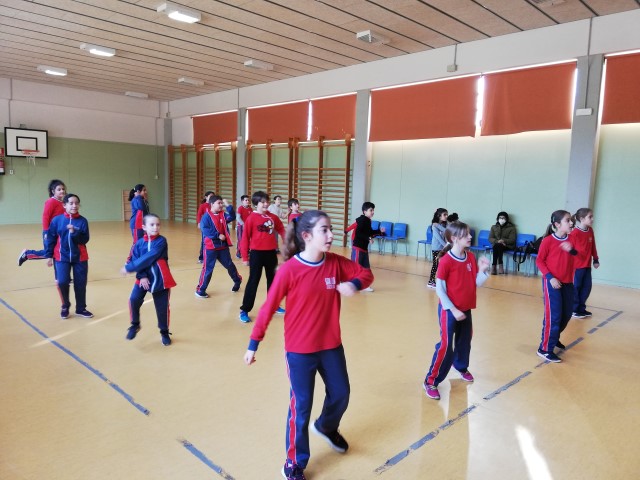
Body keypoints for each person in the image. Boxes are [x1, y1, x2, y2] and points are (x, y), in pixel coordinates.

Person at [243, 210, 374, 480]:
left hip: (331, 346)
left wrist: (354, 284)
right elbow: (268, 307)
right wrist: (253, 343)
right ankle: (293, 462)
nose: (331, 235)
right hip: (299, 351)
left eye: (331, 229)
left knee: (341, 393)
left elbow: (365, 273)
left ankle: (326, 426)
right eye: (324, 230)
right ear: (307, 236)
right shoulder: (289, 270)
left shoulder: (335, 263)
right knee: (301, 406)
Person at [423, 222, 490, 400]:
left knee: (465, 341)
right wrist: (453, 309)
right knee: (446, 345)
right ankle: (431, 381)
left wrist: (483, 271)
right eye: (466, 234)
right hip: (449, 310)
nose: (470, 236)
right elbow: (440, 290)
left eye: (469, 234)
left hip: (466, 309)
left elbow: (474, 283)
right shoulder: (446, 261)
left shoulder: (470, 257)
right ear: (454, 238)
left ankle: (460, 366)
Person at [121, 214, 177, 346]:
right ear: (144, 227)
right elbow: (135, 258)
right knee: (134, 299)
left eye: (158, 224)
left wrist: (129, 268)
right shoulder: (138, 243)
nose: (155, 227)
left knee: (162, 308)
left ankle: (164, 332)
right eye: (152, 225)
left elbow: (149, 257)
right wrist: (142, 276)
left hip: (160, 279)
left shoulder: (161, 241)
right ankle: (135, 324)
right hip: (143, 278)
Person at [535, 210, 578, 363]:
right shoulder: (547, 241)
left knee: (566, 314)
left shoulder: (572, 239)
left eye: (571, 220)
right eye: (568, 220)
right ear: (557, 224)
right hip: (552, 283)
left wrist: (571, 250)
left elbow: (579, 256)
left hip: (568, 283)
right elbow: (539, 261)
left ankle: (554, 337)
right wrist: (550, 277)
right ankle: (545, 349)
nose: (571, 223)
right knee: (554, 316)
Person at [239, 191, 286, 323]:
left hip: (271, 253)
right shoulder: (251, 218)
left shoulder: (273, 217)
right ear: (256, 204)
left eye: (267, 201)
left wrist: (287, 242)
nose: (266, 204)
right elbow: (245, 238)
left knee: (273, 281)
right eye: (263, 202)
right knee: (253, 281)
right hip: (256, 254)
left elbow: (281, 229)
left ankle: (274, 305)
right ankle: (244, 310)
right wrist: (245, 257)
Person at [45, 193, 93, 319]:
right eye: (71, 203)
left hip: (80, 257)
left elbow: (85, 239)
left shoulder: (83, 221)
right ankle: (65, 305)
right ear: (64, 205)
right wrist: (49, 255)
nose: (74, 206)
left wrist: (74, 232)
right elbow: (51, 238)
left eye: (76, 203)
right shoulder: (57, 220)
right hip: (61, 257)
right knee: (62, 281)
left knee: (80, 283)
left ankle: (81, 308)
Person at [195, 195, 242, 298]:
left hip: (223, 247)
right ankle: (200, 290)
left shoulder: (223, 215)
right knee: (208, 269)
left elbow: (232, 217)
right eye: (219, 203)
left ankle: (237, 280)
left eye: (221, 203)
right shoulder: (206, 217)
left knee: (229, 265)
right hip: (210, 248)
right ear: (212, 204)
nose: (221, 205)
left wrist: (228, 205)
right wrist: (218, 235)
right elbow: (205, 229)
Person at [19, 179, 67, 266]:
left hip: (59, 232)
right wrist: (46, 232)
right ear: (53, 191)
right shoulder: (51, 202)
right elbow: (45, 217)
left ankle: (59, 273)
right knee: (48, 253)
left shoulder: (63, 203)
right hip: (50, 232)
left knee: (58, 252)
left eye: (63, 189)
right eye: (59, 189)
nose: (62, 191)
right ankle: (27, 254)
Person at [570, 208, 599, 319]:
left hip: (587, 265)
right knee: (576, 287)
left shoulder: (590, 230)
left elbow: (593, 246)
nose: (592, 219)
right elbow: (570, 249)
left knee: (587, 287)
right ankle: (574, 309)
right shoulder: (575, 233)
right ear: (582, 219)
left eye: (592, 216)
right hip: (577, 266)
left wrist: (595, 259)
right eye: (590, 217)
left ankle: (581, 308)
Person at [350, 201, 384, 292]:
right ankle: (349, 283)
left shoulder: (368, 221)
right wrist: (368, 238)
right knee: (356, 267)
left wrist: (379, 231)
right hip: (358, 248)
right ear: (365, 211)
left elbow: (370, 232)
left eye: (373, 210)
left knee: (366, 268)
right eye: (371, 210)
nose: (373, 212)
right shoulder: (362, 220)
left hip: (364, 249)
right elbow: (359, 233)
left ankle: (364, 285)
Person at [427, 208, 448, 288]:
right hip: (436, 248)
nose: (446, 216)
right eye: (444, 215)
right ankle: (431, 281)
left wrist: (438, 225)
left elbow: (447, 231)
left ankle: (442, 281)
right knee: (435, 265)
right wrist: (446, 245)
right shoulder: (434, 226)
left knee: (443, 265)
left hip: (443, 248)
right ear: (439, 216)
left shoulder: (442, 225)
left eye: (447, 214)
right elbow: (438, 238)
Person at [196, 191, 215, 263]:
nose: (212, 197)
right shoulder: (203, 206)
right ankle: (202, 257)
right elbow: (199, 214)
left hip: (213, 225)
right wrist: (199, 222)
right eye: (210, 196)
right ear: (206, 197)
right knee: (204, 241)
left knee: (214, 240)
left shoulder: (214, 205)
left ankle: (213, 256)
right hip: (205, 226)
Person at [236, 194, 252, 259]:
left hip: (248, 227)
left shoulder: (250, 208)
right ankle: (239, 253)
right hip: (241, 227)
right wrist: (243, 224)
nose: (247, 201)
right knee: (241, 240)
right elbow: (238, 218)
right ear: (242, 201)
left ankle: (247, 251)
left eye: (248, 200)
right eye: (246, 200)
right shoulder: (240, 208)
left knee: (248, 239)